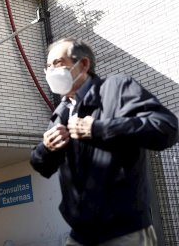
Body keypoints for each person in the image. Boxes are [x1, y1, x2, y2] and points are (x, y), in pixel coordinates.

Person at [30, 38, 178, 246]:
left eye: (58, 63)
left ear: (83, 65)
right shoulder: (60, 113)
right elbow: (41, 166)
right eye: (48, 66)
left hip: (125, 232)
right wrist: (46, 149)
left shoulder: (117, 88)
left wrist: (98, 129)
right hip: (80, 234)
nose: (51, 71)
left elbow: (167, 128)